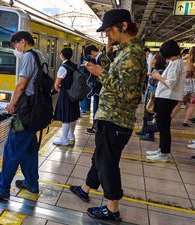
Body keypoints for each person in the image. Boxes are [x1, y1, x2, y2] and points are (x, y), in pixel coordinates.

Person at [68, 9, 146, 221]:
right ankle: (85, 189)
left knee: (107, 164)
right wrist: (109, 52)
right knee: (100, 157)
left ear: (123, 26)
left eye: (109, 31)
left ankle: (112, 209)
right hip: (112, 116)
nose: (106, 35)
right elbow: (116, 74)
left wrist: (100, 73)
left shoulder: (132, 55)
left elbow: (128, 92)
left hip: (116, 119)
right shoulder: (127, 50)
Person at [0, 31, 46, 202]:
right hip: (36, 111)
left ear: (23, 42)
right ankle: (32, 183)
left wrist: (11, 104)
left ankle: (1, 189)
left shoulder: (28, 56)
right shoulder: (40, 55)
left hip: (25, 113)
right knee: (29, 150)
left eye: (15, 45)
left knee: (12, 149)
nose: (15, 49)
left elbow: (21, 85)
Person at [146, 40, 185, 162]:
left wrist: (158, 76)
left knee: (163, 126)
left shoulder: (176, 63)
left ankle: (163, 153)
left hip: (168, 97)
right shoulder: (176, 62)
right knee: (163, 126)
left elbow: (171, 83)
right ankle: (162, 150)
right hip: (167, 97)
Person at [53, 48, 80, 146]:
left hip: (66, 94)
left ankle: (64, 139)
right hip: (74, 94)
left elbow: (56, 86)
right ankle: (71, 136)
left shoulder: (63, 67)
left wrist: (59, 89)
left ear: (62, 55)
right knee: (73, 116)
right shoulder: (74, 65)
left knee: (66, 117)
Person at [136, 53, 167, 141]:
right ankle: (144, 130)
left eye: (154, 59)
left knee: (150, 114)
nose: (152, 61)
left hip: (153, 96)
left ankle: (149, 135)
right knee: (147, 113)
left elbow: (154, 83)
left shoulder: (159, 71)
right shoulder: (156, 69)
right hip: (150, 94)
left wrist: (152, 77)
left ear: (158, 61)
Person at [171, 47, 195, 126]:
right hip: (194, 85)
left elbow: (175, 61)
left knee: (179, 103)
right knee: (192, 104)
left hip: (185, 85)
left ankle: (169, 118)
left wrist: (185, 57)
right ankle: (186, 121)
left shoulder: (185, 61)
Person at [84, 45, 102, 134]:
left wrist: (90, 68)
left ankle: (96, 128)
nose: (90, 58)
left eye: (89, 56)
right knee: (96, 108)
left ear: (92, 52)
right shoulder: (100, 58)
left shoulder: (101, 58)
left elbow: (100, 73)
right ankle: (95, 126)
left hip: (99, 89)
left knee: (97, 108)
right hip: (98, 88)